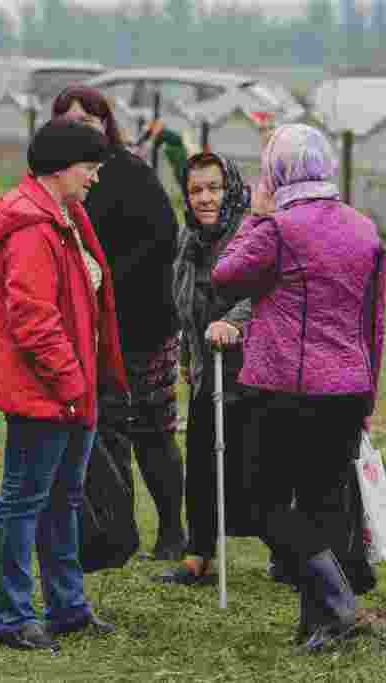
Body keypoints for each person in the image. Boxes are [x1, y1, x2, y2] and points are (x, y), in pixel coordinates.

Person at [211, 123, 386, 652]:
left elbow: (225, 275)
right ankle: (318, 624)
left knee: (258, 503)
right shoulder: (364, 229)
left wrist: (255, 216)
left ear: (275, 173)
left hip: (284, 387)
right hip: (347, 388)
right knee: (318, 504)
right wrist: (369, 396)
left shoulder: (278, 229)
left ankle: (337, 606)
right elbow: (372, 322)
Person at [0, 119, 130, 652]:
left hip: (73, 388)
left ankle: (67, 606)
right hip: (45, 389)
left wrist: (86, 384)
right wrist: (70, 382)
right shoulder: (31, 230)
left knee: (63, 500)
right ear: (62, 167)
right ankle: (14, 615)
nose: (94, 177)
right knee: (24, 500)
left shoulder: (68, 216)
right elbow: (33, 318)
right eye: (89, 167)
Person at [52, 86, 187, 560]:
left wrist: (106, 282)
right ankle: (117, 529)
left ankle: (173, 531)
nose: (80, 130)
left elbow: (164, 237)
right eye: (69, 121)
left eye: (89, 122)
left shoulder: (129, 171)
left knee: (152, 428)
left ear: (106, 125)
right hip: (88, 325)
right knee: (109, 429)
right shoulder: (57, 179)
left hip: (141, 319)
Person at [152, 152, 262, 586]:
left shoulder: (251, 235)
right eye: (196, 190)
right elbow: (183, 303)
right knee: (200, 460)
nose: (204, 198)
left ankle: (290, 554)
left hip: (252, 368)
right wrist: (185, 355)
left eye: (213, 188)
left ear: (230, 188)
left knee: (255, 463)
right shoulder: (188, 240)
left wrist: (234, 323)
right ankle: (198, 552)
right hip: (205, 366)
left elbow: (262, 293)